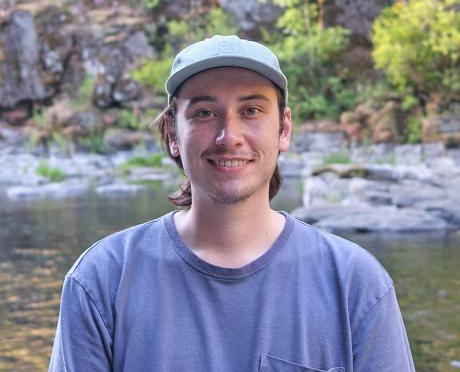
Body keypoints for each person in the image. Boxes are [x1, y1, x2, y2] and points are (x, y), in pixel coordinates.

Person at [49, 35, 415, 372]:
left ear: (284, 128)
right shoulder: (101, 281)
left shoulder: (356, 284)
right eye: (205, 113)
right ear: (172, 132)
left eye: (251, 110)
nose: (229, 137)